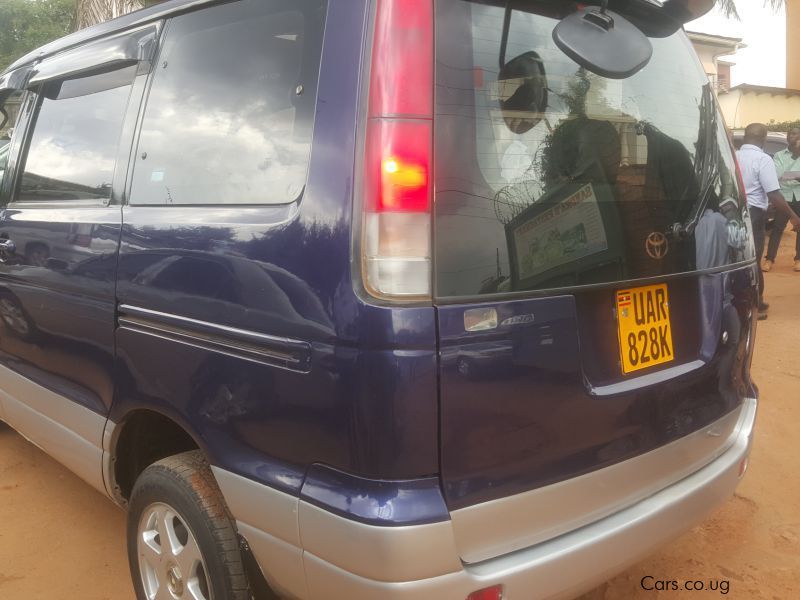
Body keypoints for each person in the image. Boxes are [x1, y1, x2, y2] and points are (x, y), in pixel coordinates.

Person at [736, 123, 800, 319]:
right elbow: (773, 193)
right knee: (753, 259)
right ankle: (754, 305)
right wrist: (793, 216)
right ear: (764, 139)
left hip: (734, 213)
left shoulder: (734, 155)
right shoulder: (763, 159)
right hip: (754, 214)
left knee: (738, 257)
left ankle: (752, 301)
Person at [763, 127, 800, 272]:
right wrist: (795, 159)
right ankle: (769, 259)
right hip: (784, 198)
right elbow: (777, 174)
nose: (792, 136)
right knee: (777, 228)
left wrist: (789, 175)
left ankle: (798, 260)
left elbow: (785, 175)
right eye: (790, 133)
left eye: (795, 134)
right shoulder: (779, 155)